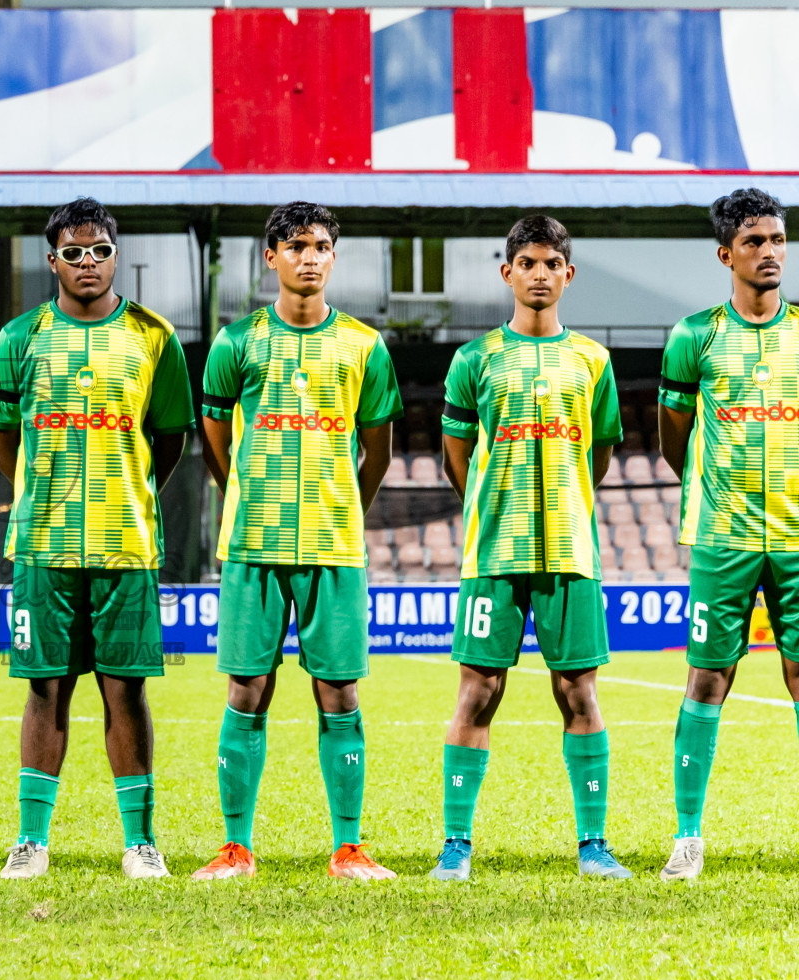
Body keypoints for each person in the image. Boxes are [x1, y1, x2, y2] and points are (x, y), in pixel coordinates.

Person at [0, 197, 194, 881]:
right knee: (45, 688)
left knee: (125, 690)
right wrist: (41, 489)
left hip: (125, 543)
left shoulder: (153, 336)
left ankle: (140, 843)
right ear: (52, 261)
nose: (87, 262)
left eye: (99, 249)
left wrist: (124, 490)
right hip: (42, 544)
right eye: (73, 252)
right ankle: (31, 842)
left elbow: (171, 438)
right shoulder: (20, 338)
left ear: (114, 253)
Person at [192, 202, 402, 883]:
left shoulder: (365, 347)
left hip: (333, 545)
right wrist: (246, 495)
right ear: (270, 257)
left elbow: (378, 451)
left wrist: (342, 510)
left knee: (339, 693)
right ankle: (235, 847)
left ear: (333, 257)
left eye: (319, 246)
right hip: (254, 543)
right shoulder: (237, 343)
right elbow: (215, 443)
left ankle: (347, 847)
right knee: (247, 688)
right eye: (295, 246)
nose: (308, 257)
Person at [432, 215, 630, 882]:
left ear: (568, 275)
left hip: (571, 550)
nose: (540, 273)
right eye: (528, 263)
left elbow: (599, 452)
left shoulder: (593, 360)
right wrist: (495, 506)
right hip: (493, 553)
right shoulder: (475, 359)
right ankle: (456, 844)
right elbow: (457, 455)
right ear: (507, 272)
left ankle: (594, 844)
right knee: (478, 690)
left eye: (552, 263)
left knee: (579, 691)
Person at [657, 188, 799, 881]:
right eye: (754, 242)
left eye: (777, 239)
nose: (770, 252)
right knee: (709, 675)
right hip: (724, 534)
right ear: (725, 254)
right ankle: (688, 838)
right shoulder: (695, 336)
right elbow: (672, 439)